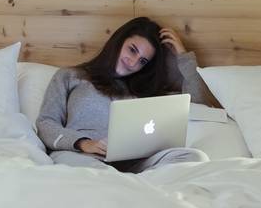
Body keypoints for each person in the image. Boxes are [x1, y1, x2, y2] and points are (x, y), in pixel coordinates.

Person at [36, 17, 210, 172]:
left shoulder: (146, 92)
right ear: (118, 41)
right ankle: (123, 185)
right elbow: (46, 122)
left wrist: (183, 56)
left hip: (132, 164)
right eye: (132, 50)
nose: (133, 62)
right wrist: (83, 143)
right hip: (82, 156)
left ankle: (124, 184)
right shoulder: (70, 76)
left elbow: (199, 107)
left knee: (195, 157)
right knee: (95, 172)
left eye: (142, 61)